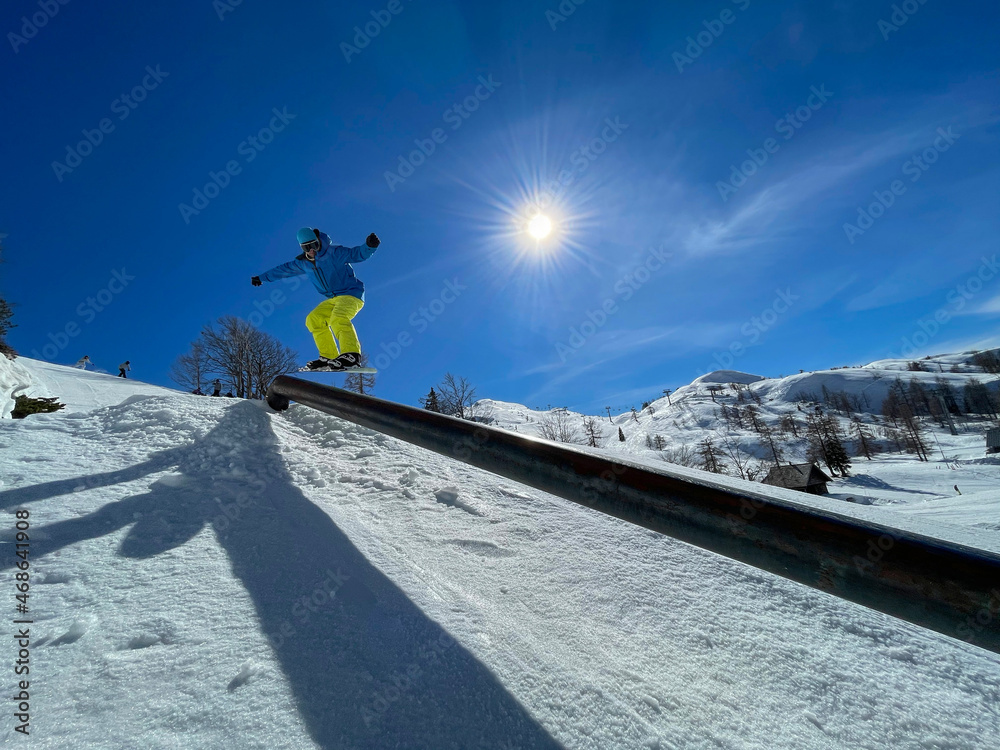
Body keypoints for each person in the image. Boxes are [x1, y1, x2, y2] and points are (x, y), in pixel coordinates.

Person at [252, 227, 380, 371]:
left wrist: (369, 246)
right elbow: (283, 270)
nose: (312, 250)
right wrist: (262, 278)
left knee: (338, 318)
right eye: (307, 247)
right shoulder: (303, 263)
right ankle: (328, 357)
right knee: (313, 319)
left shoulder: (334, 252)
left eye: (314, 245)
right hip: (333, 299)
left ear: (319, 241)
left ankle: (351, 356)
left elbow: (356, 254)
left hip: (351, 294)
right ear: (302, 248)